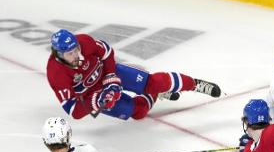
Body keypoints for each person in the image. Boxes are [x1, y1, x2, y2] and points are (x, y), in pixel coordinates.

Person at [47, 29, 221, 121]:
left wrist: (111, 78)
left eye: (76, 49)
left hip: (109, 73)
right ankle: (154, 95)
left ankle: (194, 84)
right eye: (69, 53)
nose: (76, 55)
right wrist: (97, 100)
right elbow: (74, 111)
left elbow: (107, 53)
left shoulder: (84, 41)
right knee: (138, 113)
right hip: (93, 94)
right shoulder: (56, 73)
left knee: (153, 82)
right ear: (58, 55)